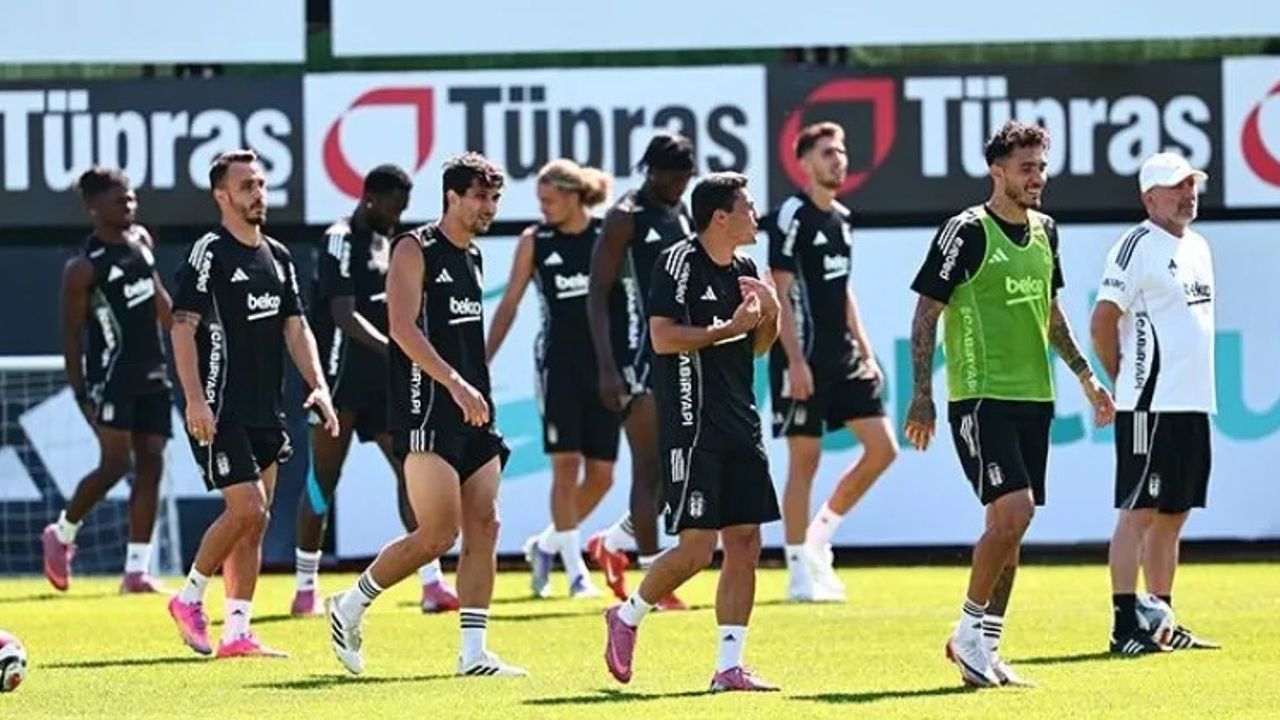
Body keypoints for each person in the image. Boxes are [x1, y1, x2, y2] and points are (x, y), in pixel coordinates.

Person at [904, 121, 1114, 688]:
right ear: (997, 171)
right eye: (1026, 168)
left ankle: (987, 649)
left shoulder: (1047, 230)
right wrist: (922, 394)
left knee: (1009, 527)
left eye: (1042, 167)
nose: (1037, 178)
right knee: (1015, 512)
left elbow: (1051, 312)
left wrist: (1086, 377)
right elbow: (926, 313)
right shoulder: (966, 231)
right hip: (981, 397)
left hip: (1034, 397)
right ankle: (966, 633)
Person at [326, 152, 525, 677]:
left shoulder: (473, 256)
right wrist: (455, 383)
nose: (488, 207)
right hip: (426, 408)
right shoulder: (414, 247)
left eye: (494, 197)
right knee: (437, 535)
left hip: (474, 411)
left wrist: (474, 389)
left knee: (486, 523)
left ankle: (473, 655)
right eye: (479, 196)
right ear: (451, 197)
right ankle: (350, 604)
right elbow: (402, 328)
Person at [603, 172, 782, 692]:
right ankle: (627, 616)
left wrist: (769, 313)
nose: (756, 215)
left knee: (745, 542)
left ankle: (729, 667)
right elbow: (662, 338)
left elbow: (756, 346)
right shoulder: (678, 261)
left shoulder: (746, 269)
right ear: (720, 217)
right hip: (691, 425)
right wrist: (728, 328)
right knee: (697, 550)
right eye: (748, 207)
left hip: (741, 423)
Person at [167, 150, 339, 659]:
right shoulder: (210, 252)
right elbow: (182, 328)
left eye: (261, 184)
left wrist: (319, 384)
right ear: (221, 196)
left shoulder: (278, 256)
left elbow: (296, 327)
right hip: (220, 409)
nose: (258, 193)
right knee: (248, 508)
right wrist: (194, 400)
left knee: (255, 522)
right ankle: (188, 598)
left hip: (267, 410)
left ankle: (237, 631)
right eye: (247, 186)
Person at [291, 164, 459, 617]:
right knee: (323, 481)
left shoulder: (392, 243)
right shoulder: (339, 238)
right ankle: (305, 589)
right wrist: (398, 349)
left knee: (411, 471)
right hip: (340, 378)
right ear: (370, 199)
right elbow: (343, 315)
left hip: (385, 383)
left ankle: (432, 584)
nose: (397, 216)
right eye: (393, 207)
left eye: (403, 208)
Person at [1091, 151, 1220, 654]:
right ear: (1149, 198)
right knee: (1137, 511)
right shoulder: (1137, 245)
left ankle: (1162, 621)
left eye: (1192, 185)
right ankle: (1124, 625)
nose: (1189, 194)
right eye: (1176, 186)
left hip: (1193, 402)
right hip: (1149, 404)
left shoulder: (1199, 246)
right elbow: (1103, 320)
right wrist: (1124, 380)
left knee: (1174, 514)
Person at [768, 122, 899, 602]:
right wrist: (794, 360)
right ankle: (797, 573)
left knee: (883, 449)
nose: (837, 159)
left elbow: (844, 291)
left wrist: (864, 348)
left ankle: (819, 538)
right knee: (805, 460)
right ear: (804, 162)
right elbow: (779, 291)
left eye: (841, 151)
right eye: (827, 152)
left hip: (842, 356)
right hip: (801, 358)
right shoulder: (791, 215)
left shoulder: (842, 218)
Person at [487, 159, 617, 599]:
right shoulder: (535, 241)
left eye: (549, 200)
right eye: (539, 201)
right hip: (558, 368)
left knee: (602, 477)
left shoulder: (606, 235)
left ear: (573, 195)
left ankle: (546, 545)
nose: (542, 208)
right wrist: (482, 360)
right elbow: (508, 305)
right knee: (566, 467)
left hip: (605, 370)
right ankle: (576, 572)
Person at [43, 167, 173, 594]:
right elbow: (71, 335)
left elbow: (157, 295)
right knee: (117, 463)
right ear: (93, 207)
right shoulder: (83, 268)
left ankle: (136, 571)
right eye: (119, 199)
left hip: (153, 372)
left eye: (131, 196)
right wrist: (80, 391)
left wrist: (185, 330)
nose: (129, 203)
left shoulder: (142, 242)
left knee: (152, 461)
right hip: (112, 377)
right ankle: (62, 533)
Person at [584, 134, 695, 610]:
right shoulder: (625, 216)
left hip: (677, 354)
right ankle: (654, 577)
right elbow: (596, 294)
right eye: (674, 177)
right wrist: (607, 368)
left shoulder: (681, 211)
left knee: (677, 470)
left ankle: (612, 542)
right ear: (653, 171)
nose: (680, 185)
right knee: (647, 468)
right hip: (636, 357)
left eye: (686, 177)